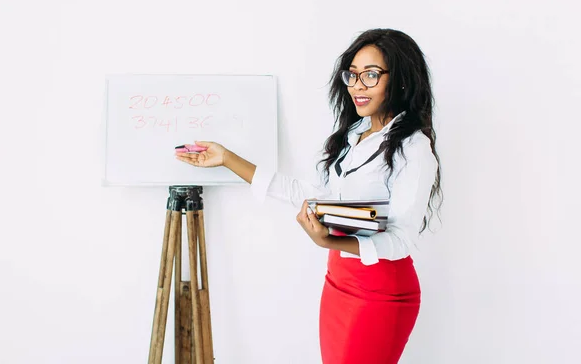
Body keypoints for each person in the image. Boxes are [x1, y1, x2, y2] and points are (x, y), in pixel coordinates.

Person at [175, 28, 442, 364]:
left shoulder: (414, 149)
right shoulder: (354, 137)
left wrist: (331, 243)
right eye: (353, 75)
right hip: (339, 282)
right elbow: (311, 194)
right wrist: (228, 159)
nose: (357, 86)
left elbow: (401, 239)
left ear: (401, 81)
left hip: (381, 291)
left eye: (371, 76)